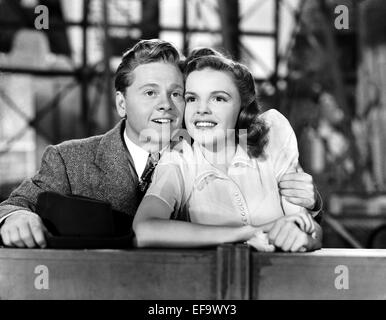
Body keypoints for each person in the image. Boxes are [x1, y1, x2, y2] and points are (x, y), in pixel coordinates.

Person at [0, 39, 321, 249]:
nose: (166, 104)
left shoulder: (202, 147)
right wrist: (17, 217)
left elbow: (288, 216)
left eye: (178, 93)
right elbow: (15, 204)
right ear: (122, 104)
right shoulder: (70, 160)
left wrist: (306, 196)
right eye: (150, 92)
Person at [133, 48, 322, 252]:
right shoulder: (179, 157)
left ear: (242, 106)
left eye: (219, 98)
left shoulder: (272, 134)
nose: (202, 109)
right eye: (192, 98)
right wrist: (248, 233)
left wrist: (304, 238)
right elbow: (144, 231)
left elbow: (308, 228)